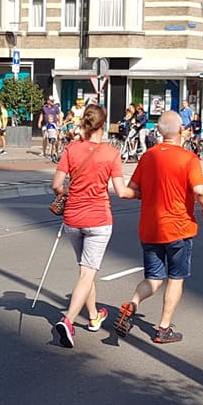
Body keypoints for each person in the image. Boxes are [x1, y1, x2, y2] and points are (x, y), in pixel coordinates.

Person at [114, 111, 203, 345]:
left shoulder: (148, 157)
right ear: (181, 131)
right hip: (179, 227)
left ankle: (133, 303)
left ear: (158, 131)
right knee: (176, 278)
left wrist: (149, 194)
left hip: (150, 227)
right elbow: (199, 190)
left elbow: (133, 188)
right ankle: (163, 328)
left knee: (154, 278)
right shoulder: (189, 159)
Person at [49, 104, 134, 348]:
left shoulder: (71, 149)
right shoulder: (111, 153)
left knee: (86, 270)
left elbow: (56, 185)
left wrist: (69, 192)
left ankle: (94, 316)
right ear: (104, 125)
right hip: (98, 219)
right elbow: (120, 191)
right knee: (88, 271)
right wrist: (139, 193)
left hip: (73, 219)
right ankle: (68, 320)